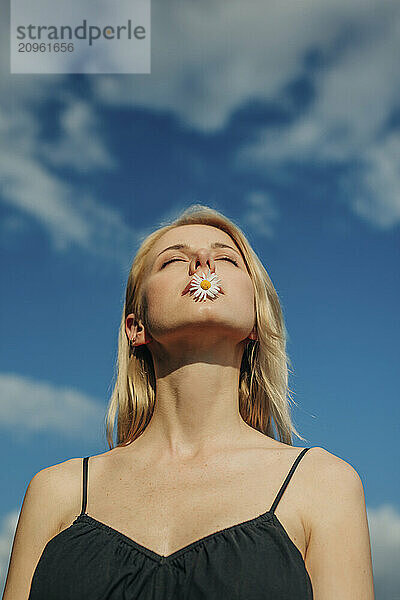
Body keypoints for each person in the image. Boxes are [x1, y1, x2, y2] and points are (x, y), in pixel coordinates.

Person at [3, 205, 375, 599]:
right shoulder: (56, 492)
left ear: (255, 322)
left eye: (227, 258)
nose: (202, 262)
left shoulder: (322, 484)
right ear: (137, 326)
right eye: (173, 260)